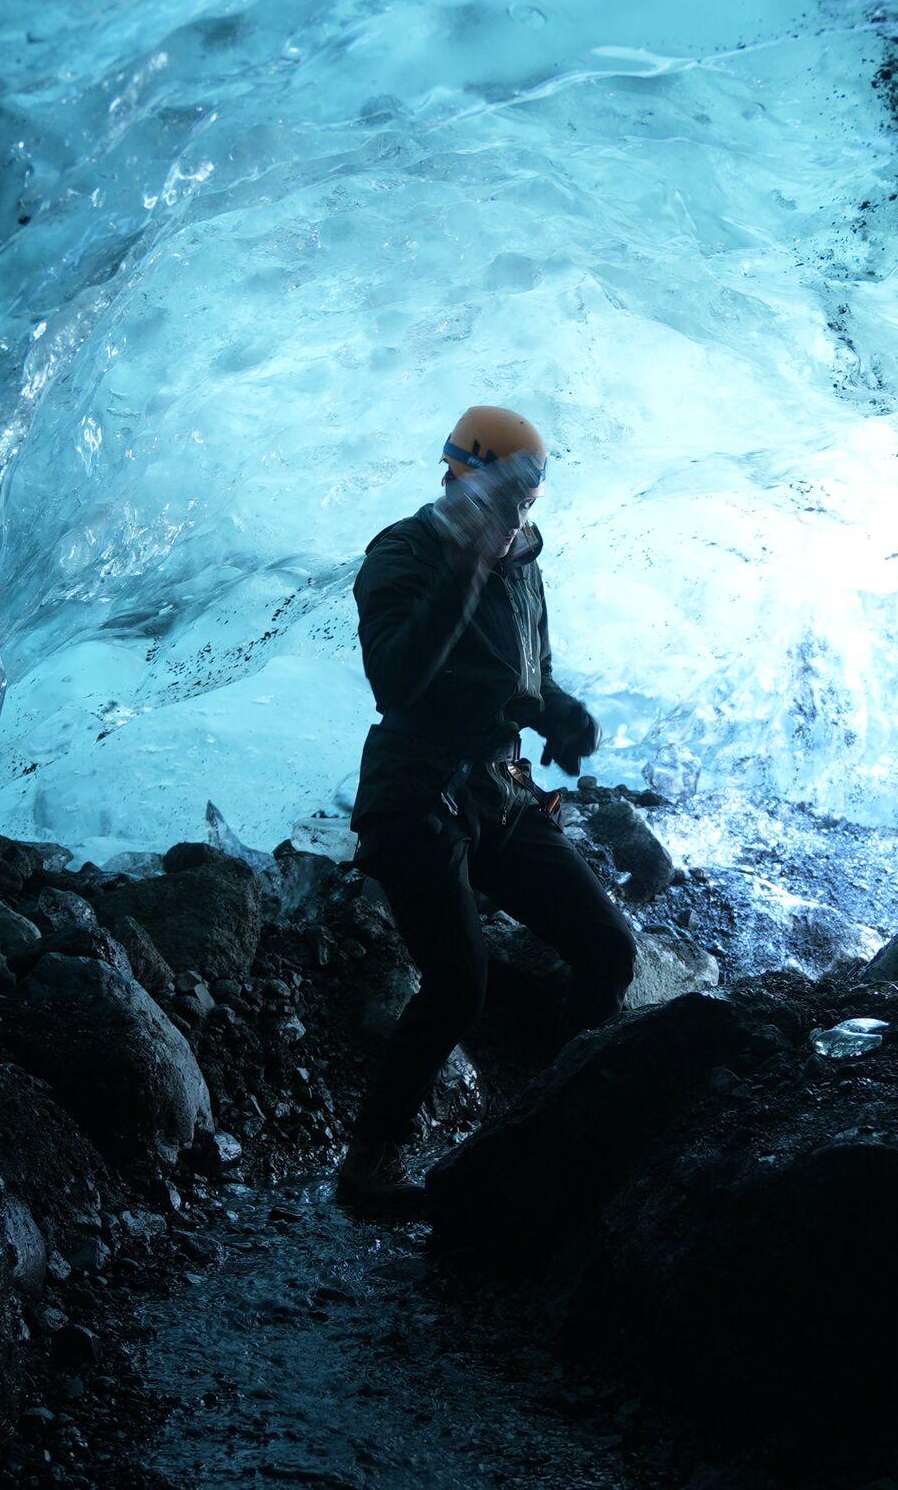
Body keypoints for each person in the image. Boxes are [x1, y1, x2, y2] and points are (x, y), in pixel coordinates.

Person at [335, 404, 637, 1213]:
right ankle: (368, 1166)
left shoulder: (523, 562)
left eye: (527, 504)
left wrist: (559, 715)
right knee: (457, 982)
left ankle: (550, 1134)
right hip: (414, 793)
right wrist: (463, 570)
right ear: (462, 479)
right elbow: (398, 682)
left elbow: (520, 676)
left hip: (496, 793)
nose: (518, 516)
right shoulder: (401, 555)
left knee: (607, 947)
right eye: (508, 498)